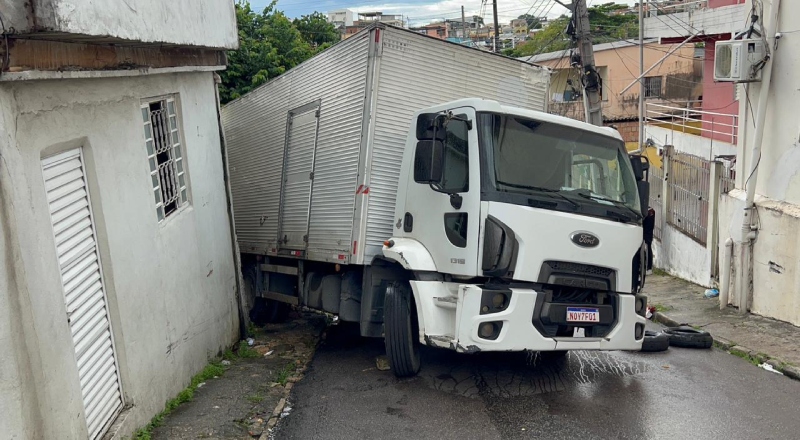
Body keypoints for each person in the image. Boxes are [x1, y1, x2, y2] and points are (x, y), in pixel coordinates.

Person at [643, 207, 656, 275]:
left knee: (647, 245)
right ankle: (648, 267)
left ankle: (649, 267)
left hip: (646, 232)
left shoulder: (650, 212)